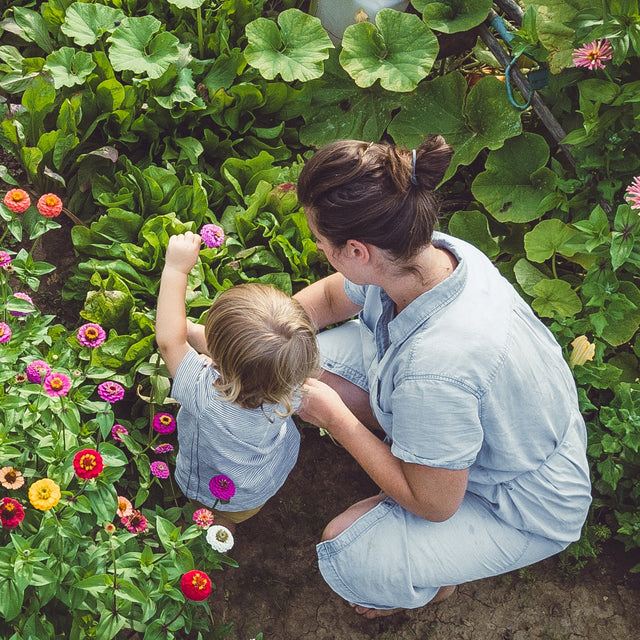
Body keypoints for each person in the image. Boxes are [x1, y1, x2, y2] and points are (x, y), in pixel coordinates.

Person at [292, 137, 592, 618]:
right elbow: (330, 300)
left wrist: (332, 415)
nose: (318, 247)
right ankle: (422, 465)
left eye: (321, 242)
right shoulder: (432, 255)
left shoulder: (437, 369)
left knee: (350, 555)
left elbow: (433, 504)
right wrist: (269, 328)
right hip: (495, 429)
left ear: (356, 250)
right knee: (301, 358)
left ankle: (432, 584)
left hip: (522, 502)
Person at [156, 232, 320, 532]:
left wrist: (176, 269)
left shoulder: (204, 394)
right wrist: (193, 331)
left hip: (217, 492)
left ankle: (212, 542)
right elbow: (246, 362)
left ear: (220, 359)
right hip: (262, 481)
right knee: (232, 514)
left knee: (213, 521)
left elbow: (168, 341)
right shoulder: (290, 384)